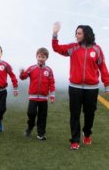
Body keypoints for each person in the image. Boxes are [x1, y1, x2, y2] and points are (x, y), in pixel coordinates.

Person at [52, 22, 109, 150]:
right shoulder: (73, 48)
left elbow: (102, 67)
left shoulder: (97, 50)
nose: (76, 36)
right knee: (75, 114)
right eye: (76, 33)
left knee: (90, 114)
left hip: (92, 88)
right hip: (75, 87)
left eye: (79, 33)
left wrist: (107, 84)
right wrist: (55, 34)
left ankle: (87, 133)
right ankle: (75, 140)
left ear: (86, 34)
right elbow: (57, 48)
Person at [19, 47, 55, 140]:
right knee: (31, 113)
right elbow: (24, 77)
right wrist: (22, 73)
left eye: (43, 57)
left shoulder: (49, 70)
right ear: (36, 57)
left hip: (43, 98)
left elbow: (52, 83)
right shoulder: (32, 68)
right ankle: (30, 127)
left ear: (46, 58)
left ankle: (41, 134)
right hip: (33, 97)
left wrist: (52, 95)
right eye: (39, 56)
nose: (41, 58)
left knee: (42, 117)